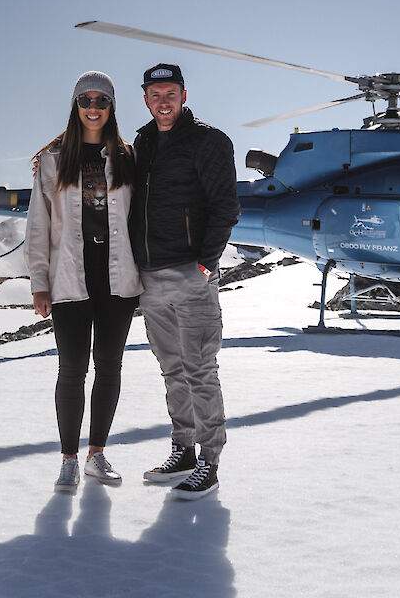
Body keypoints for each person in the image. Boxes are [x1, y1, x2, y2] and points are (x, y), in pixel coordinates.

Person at [27, 71, 143, 493]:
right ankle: (68, 460)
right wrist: (39, 282)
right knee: (72, 368)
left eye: (102, 101)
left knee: (109, 366)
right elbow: (38, 225)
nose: (93, 108)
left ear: (112, 107)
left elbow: (138, 220)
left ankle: (96, 454)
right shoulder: (54, 159)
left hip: (118, 278)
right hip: (68, 277)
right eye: (85, 100)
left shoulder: (128, 157)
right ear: (74, 106)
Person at [130, 63, 240, 501]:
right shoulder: (141, 142)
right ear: (145, 98)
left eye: (170, 92)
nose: (163, 100)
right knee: (171, 368)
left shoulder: (209, 141)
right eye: (155, 93)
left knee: (199, 370)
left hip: (191, 274)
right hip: (151, 277)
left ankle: (209, 462)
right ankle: (183, 449)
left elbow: (225, 206)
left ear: (184, 94)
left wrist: (205, 263)